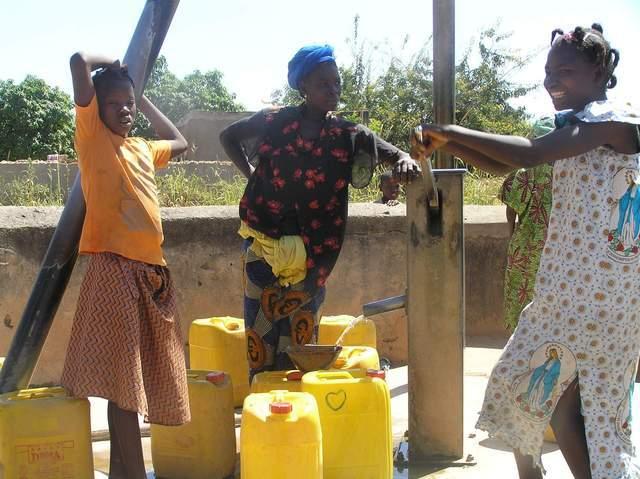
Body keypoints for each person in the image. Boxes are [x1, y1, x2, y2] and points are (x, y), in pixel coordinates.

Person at [415, 24, 640, 479]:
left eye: (565, 71)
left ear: (599, 73)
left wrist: (453, 130)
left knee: (594, 418)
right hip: (565, 295)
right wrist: (450, 143)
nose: (551, 81)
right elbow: (507, 162)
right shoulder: (579, 126)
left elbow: (530, 154)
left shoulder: (614, 121)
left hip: (603, 303)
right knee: (531, 396)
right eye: (547, 71)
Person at [220, 44, 420, 378]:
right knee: (260, 332)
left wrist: (405, 159)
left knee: (301, 338)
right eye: (323, 83)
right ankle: (265, 409)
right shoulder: (274, 121)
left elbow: (395, 153)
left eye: (336, 82)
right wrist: (252, 175)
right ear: (304, 88)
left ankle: (295, 413)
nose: (333, 89)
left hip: (315, 253)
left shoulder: (348, 135)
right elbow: (229, 137)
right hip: (263, 243)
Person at [60, 52, 190, 479]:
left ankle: (122, 474)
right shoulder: (95, 138)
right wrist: (111, 61)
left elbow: (181, 142)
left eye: (129, 103)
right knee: (125, 390)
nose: (125, 110)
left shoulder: (140, 148)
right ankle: (133, 474)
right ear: (98, 108)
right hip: (115, 271)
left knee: (135, 385)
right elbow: (80, 61)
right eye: (115, 103)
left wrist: (144, 98)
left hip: (151, 275)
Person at [500, 117, 555, 330]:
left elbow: (511, 206)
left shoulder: (525, 170)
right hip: (560, 246)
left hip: (526, 244)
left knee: (521, 297)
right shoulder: (569, 170)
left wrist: (511, 233)